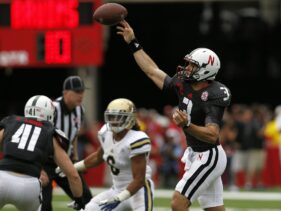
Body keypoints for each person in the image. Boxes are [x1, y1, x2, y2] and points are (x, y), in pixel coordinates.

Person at [117, 20, 231, 211]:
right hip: (196, 153)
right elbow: (152, 71)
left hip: (209, 155)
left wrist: (187, 125)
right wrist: (133, 43)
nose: (187, 68)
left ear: (206, 70)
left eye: (192, 66)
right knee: (214, 209)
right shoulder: (182, 83)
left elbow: (212, 134)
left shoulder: (214, 94)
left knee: (178, 203)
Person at [56, 98, 154, 211]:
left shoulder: (137, 139)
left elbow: (139, 179)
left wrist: (120, 198)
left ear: (129, 119)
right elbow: (98, 157)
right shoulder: (105, 133)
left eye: (118, 117)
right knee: (88, 209)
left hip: (139, 191)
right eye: (111, 117)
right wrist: (72, 168)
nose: (114, 121)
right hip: (117, 189)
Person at [0, 95, 84, 211]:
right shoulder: (50, 133)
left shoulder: (12, 122)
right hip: (28, 186)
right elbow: (73, 175)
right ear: (49, 113)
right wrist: (79, 200)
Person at [41, 76, 93, 211]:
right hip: (46, 162)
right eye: (77, 91)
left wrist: (75, 159)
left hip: (66, 161)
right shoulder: (52, 108)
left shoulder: (80, 110)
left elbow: (74, 135)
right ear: (65, 93)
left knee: (87, 200)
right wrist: (39, 167)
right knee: (44, 205)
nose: (80, 95)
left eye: (82, 91)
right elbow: (39, 136)